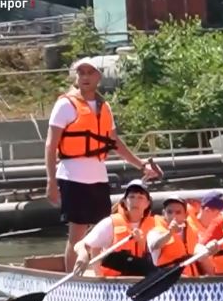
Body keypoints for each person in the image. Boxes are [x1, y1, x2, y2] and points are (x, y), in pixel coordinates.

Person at [45, 56, 161, 271]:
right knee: (77, 232)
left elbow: (115, 142)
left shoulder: (104, 107)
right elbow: (51, 146)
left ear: (99, 76)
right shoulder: (65, 105)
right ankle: (74, 281)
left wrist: (140, 164)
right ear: (76, 77)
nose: (85, 77)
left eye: (90, 73)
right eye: (81, 73)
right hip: (72, 174)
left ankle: (101, 275)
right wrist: (51, 181)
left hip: (98, 176)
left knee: (104, 229)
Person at [72, 179, 157, 277]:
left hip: (146, 278)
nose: (135, 201)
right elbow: (79, 245)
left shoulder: (156, 224)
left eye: (140, 197)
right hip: (115, 282)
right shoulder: (110, 223)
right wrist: (83, 255)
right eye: (131, 197)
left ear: (147, 203)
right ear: (124, 202)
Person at [148, 195, 213, 276]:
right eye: (169, 212)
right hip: (169, 279)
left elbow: (199, 250)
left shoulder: (192, 231)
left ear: (185, 215)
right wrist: (170, 233)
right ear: (163, 213)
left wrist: (210, 250)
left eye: (178, 212)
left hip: (191, 279)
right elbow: (154, 245)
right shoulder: (155, 232)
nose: (173, 216)